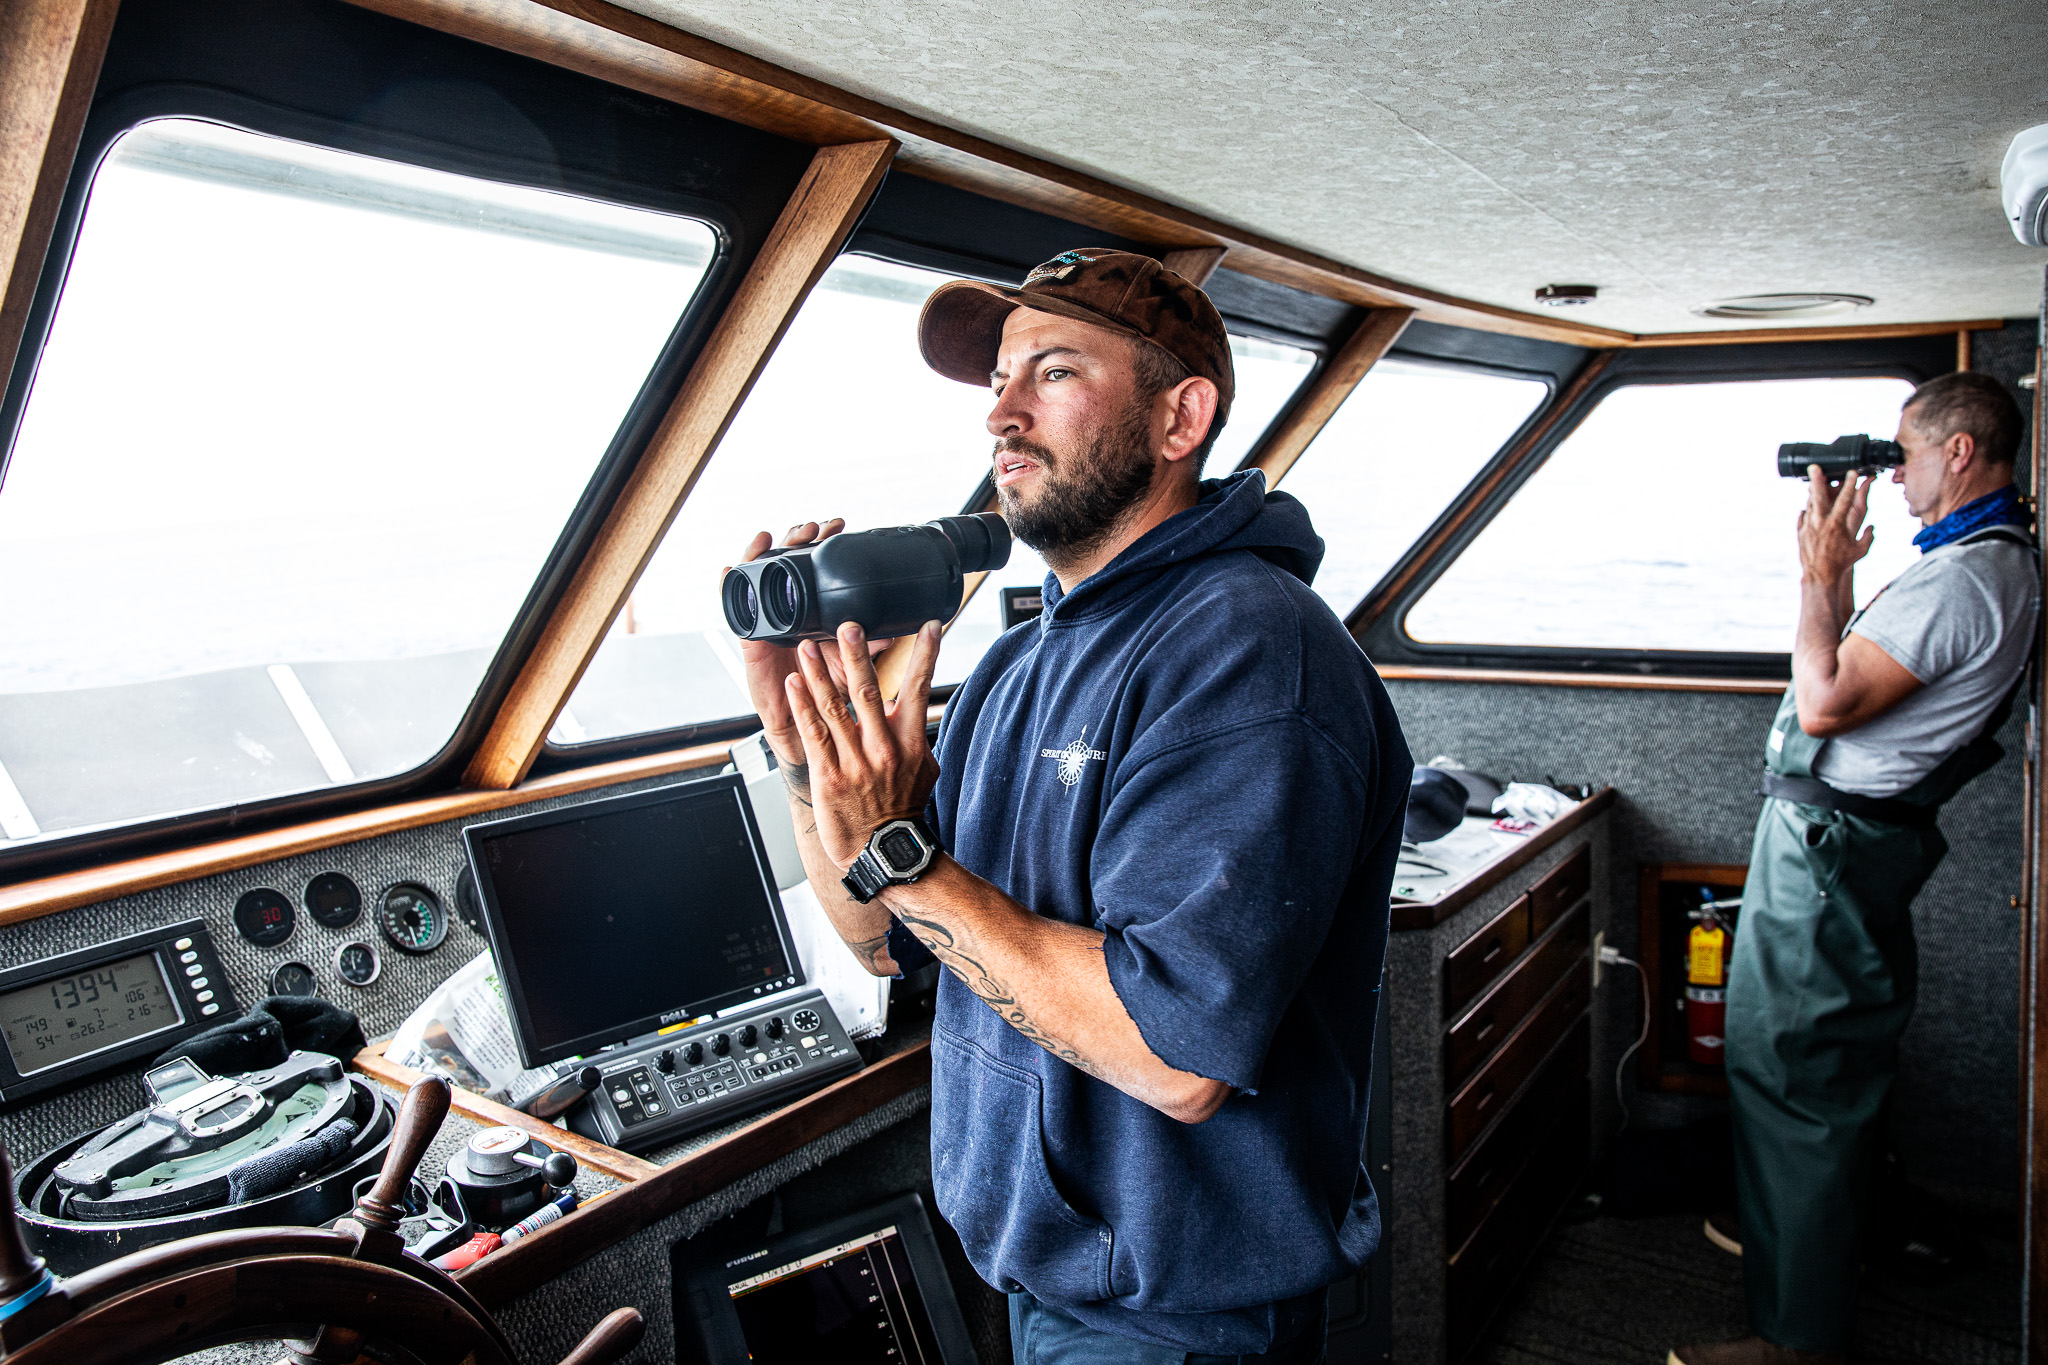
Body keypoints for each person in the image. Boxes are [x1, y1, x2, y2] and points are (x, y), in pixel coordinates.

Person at [733, 248, 1409, 1363]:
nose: (1000, 412)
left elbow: (1174, 1057)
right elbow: (877, 935)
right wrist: (806, 742)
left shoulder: (1249, 651)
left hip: (1185, 1312)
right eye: (999, 380)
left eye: (1050, 372)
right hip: (1052, 1277)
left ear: (1178, 416)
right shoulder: (1019, 657)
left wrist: (907, 861)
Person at [1673, 371, 2040, 1365]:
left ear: (1957, 452)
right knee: (1807, 1066)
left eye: (1904, 452)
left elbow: (1826, 697)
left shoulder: (1967, 578)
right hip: (1841, 841)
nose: (1895, 472)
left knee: (1793, 1074)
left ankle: (1793, 1341)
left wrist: (1815, 572)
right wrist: (1831, 573)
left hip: (1833, 850)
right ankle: (1808, 1243)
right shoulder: (1977, 561)